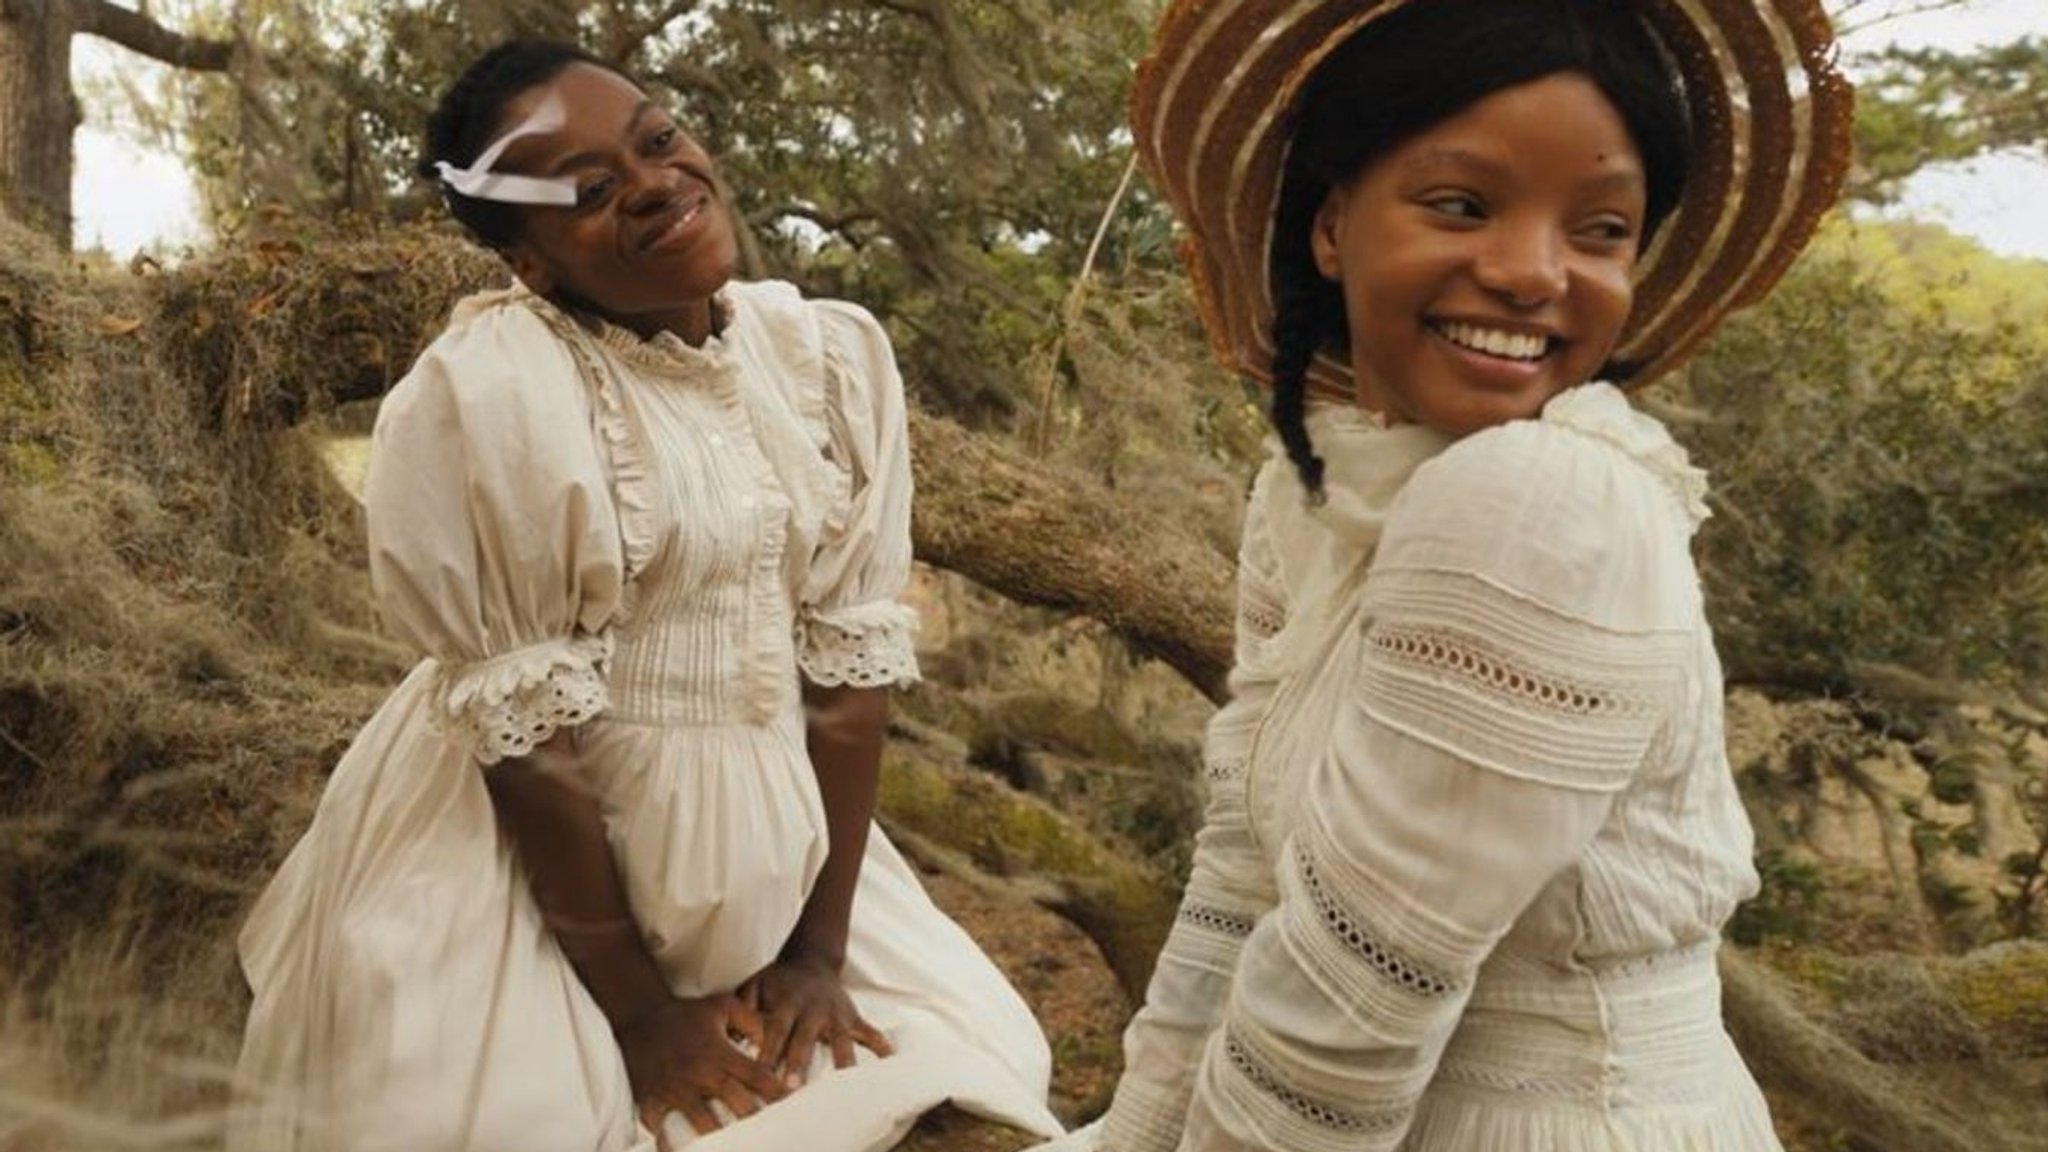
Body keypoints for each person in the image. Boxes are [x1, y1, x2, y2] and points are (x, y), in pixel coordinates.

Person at [228, 39, 1062, 1152]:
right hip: (533, 865)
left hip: (778, 853)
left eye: (656, 140)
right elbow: (529, 740)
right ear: (528, 263)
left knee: (980, 1052)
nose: (655, 184)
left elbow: (844, 670)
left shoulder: (823, 360)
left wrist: (816, 951)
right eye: (587, 193)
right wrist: (637, 1015)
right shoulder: (497, 395)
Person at [1048, 0, 1852, 1149]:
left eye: (1599, 230)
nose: (1532, 274)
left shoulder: (1542, 503)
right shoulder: (1306, 492)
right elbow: (1240, 881)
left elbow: (1346, 1007)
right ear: (1331, 225)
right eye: (1460, 204)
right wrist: (1134, 1130)